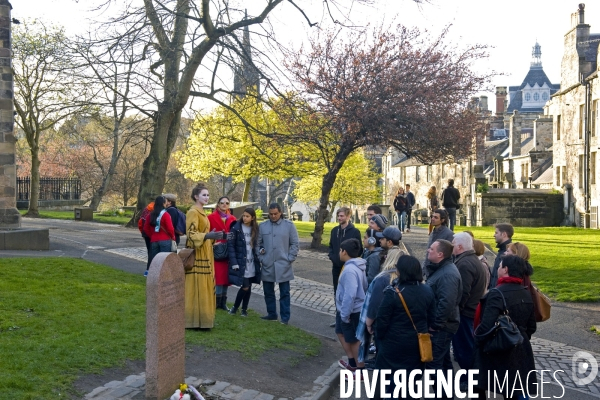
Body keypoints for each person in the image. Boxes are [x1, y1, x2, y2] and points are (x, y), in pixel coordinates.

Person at [473, 255, 537, 399]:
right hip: (520, 345)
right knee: (514, 389)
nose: (498, 269)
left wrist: (477, 340)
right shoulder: (526, 292)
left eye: (500, 266)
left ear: (506, 269)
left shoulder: (497, 293)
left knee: (478, 384)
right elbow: (531, 326)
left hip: (498, 347)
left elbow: (486, 324)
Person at [374, 255, 435, 399]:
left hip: (393, 344)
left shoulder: (393, 293)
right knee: (410, 382)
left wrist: (380, 339)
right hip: (416, 345)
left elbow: (382, 321)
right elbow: (432, 318)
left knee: (389, 381)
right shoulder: (427, 291)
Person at [185, 183, 227, 329]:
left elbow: (203, 234)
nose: (207, 197)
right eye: (204, 195)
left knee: (205, 285)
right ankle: (193, 321)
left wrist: (215, 236)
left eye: (208, 195)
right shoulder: (193, 212)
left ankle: (204, 320)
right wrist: (208, 235)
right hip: (197, 254)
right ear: (196, 196)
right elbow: (191, 234)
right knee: (197, 286)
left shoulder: (202, 212)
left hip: (206, 252)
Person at [424, 239, 462, 400]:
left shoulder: (448, 274)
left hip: (442, 327)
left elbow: (446, 303)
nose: (427, 251)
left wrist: (435, 325)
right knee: (444, 363)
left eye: (431, 249)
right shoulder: (442, 269)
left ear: (440, 254)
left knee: (434, 365)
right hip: (443, 325)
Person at [451, 232, 488, 379]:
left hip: (466, 314)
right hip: (470, 312)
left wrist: (456, 311)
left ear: (460, 246)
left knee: (465, 349)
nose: (451, 246)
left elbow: (463, 292)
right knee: (466, 348)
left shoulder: (465, 264)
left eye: (453, 244)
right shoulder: (469, 260)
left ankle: (470, 380)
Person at [257, 203, 299, 325]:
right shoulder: (263, 226)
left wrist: (289, 259)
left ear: (280, 212)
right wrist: (261, 258)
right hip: (267, 264)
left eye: (275, 214)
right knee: (268, 291)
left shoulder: (289, 226)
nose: (273, 216)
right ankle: (271, 314)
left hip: (284, 264)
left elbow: (295, 244)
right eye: (271, 214)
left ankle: (285, 318)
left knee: (284, 292)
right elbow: (257, 244)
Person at [335, 238, 368, 378]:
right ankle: (352, 363)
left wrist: (345, 314)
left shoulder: (349, 270)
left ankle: (359, 370)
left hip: (351, 311)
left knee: (353, 340)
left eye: (340, 250)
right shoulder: (355, 266)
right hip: (348, 309)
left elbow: (350, 294)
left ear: (344, 252)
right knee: (340, 332)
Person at [227, 208, 261, 317]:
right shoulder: (236, 227)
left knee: (249, 286)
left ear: (253, 218)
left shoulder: (255, 229)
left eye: (247, 216)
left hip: (252, 262)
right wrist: (234, 262)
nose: (245, 218)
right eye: (244, 215)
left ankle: (244, 309)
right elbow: (231, 245)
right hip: (241, 262)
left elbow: (259, 243)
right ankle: (235, 307)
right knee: (245, 286)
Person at [208, 196, 237, 311]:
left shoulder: (232, 218)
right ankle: (216, 302)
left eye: (227, 203)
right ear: (218, 204)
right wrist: (212, 242)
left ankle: (223, 303)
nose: (224, 205)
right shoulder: (210, 217)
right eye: (222, 203)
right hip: (217, 250)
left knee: (226, 277)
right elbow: (206, 233)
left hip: (229, 251)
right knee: (218, 276)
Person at [329, 207, 362, 295]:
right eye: (338, 216)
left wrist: (349, 260)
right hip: (336, 266)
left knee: (348, 290)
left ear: (348, 216)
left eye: (342, 216)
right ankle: (338, 308)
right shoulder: (334, 231)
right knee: (337, 291)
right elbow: (331, 246)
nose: (339, 218)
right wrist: (333, 257)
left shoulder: (355, 232)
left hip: (348, 266)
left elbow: (359, 249)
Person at [143, 196, 176, 276]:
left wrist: (152, 235)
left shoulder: (150, 215)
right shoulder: (166, 215)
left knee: (155, 260)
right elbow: (170, 228)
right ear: (163, 203)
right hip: (165, 240)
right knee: (164, 260)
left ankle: (154, 276)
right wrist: (173, 237)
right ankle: (163, 276)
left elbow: (146, 228)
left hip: (154, 240)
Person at [489, 223, 514, 289]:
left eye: (496, 233)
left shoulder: (509, 253)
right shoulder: (501, 251)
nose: (494, 235)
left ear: (504, 234)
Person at [138, 201, 154, 272]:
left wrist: (142, 232)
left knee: (149, 252)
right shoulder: (158, 211)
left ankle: (148, 269)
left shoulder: (146, 210)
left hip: (146, 234)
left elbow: (140, 222)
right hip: (154, 235)